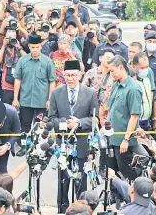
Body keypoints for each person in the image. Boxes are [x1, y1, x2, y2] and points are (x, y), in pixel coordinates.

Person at [48, 61, 98, 213]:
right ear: (63, 75)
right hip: (63, 144)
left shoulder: (90, 93)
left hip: (82, 144)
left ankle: (82, 210)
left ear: (80, 75)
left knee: (80, 183)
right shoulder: (56, 93)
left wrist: (79, 123)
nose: (70, 78)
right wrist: (64, 124)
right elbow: (51, 118)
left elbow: (95, 119)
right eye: (67, 75)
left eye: (73, 75)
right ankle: (62, 210)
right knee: (63, 182)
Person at [106, 55, 142, 181]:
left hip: (123, 141)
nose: (111, 74)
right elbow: (111, 109)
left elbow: (134, 116)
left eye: (112, 71)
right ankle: (115, 199)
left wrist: (126, 139)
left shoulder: (133, 88)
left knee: (126, 172)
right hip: (112, 137)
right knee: (112, 173)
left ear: (121, 68)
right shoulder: (117, 84)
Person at [13, 33, 56, 135]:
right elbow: (17, 79)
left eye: (37, 47)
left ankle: (39, 149)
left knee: (41, 127)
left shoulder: (48, 62)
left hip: (42, 101)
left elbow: (52, 81)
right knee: (24, 127)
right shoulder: (22, 61)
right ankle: (25, 148)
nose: (35, 49)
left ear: (41, 46)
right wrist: (15, 98)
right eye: (32, 47)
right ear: (29, 46)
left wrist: (50, 99)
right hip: (25, 100)